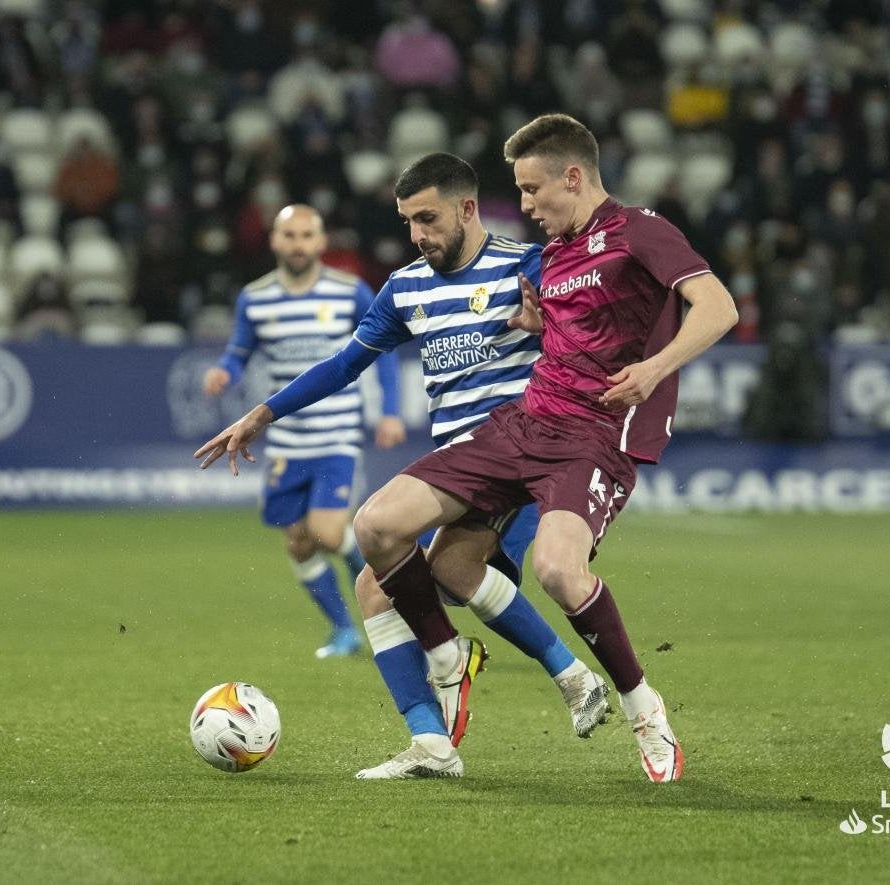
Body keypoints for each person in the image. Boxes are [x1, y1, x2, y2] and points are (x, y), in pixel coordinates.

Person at [342, 113, 735, 783]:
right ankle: (444, 657)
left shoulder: (641, 231)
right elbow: (574, 331)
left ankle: (645, 708)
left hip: (592, 438)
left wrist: (655, 368)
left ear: (572, 176)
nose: (524, 205)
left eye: (531, 189)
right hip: (521, 424)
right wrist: (536, 322)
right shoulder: (553, 254)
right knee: (376, 524)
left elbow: (717, 306)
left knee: (559, 570)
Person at [197, 154, 610, 779]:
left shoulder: (529, 265)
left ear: (467, 209)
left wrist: (547, 330)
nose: (417, 234)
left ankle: (566, 677)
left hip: (520, 459)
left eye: (428, 218)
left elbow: (589, 342)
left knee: (446, 565)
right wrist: (264, 413)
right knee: (373, 587)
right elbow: (343, 365)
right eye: (408, 222)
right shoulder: (406, 286)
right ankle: (432, 744)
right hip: (454, 470)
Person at [202, 204, 405, 659]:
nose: (297, 244)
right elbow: (240, 352)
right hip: (286, 442)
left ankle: (392, 597)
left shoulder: (350, 292)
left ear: (320, 242)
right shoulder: (254, 298)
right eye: (289, 235)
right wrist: (224, 372)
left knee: (329, 534)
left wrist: (389, 410)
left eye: (306, 235)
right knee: (297, 542)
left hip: (336, 437)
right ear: (275, 241)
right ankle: (344, 631)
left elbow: (384, 348)